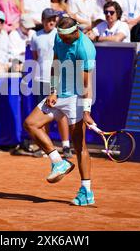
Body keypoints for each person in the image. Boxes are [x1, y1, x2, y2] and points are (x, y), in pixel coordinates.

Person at [23, 16, 97, 206]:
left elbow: (86, 83)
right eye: (60, 37)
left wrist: (86, 110)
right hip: (59, 95)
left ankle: (86, 191)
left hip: (75, 98)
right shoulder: (59, 37)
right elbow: (55, 64)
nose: (62, 41)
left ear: (75, 32)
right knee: (31, 124)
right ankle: (58, 161)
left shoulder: (86, 48)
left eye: (65, 38)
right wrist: (53, 90)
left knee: (79, 146)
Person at [26, 8, 72, 158]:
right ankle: (47, 147)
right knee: (42, 115)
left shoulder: (59, 35)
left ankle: (66, 146)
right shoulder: (35, 36)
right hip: (40, 79)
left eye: (54, 19)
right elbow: (35, 57)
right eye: (49, 19)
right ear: (43, 20)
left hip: (56, 81)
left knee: (60, 113)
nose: (52, 21)